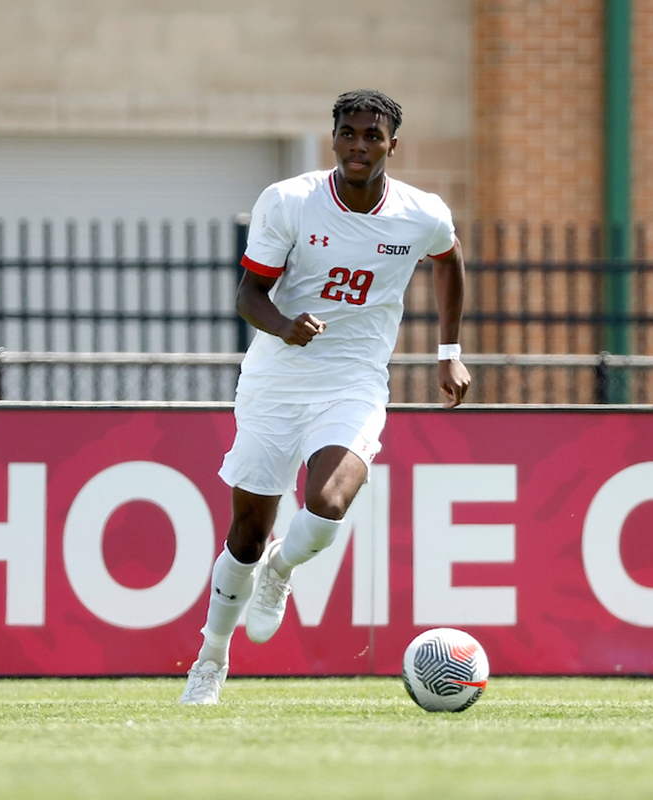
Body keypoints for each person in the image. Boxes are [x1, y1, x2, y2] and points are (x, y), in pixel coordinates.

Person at [180, 89, 471, 705]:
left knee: (328, 503)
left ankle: (281, 571)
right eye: (348, 133)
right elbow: (247, 296)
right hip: (276, 380)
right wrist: (285, 325)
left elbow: (448, 259)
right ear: (333, 137)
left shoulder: (421, 214)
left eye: (372, 134)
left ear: (393, 143)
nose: (359, 144)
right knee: (245, 533)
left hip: (354, 379)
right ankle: (211, 659)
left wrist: (448, 352)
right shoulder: (288, 201)